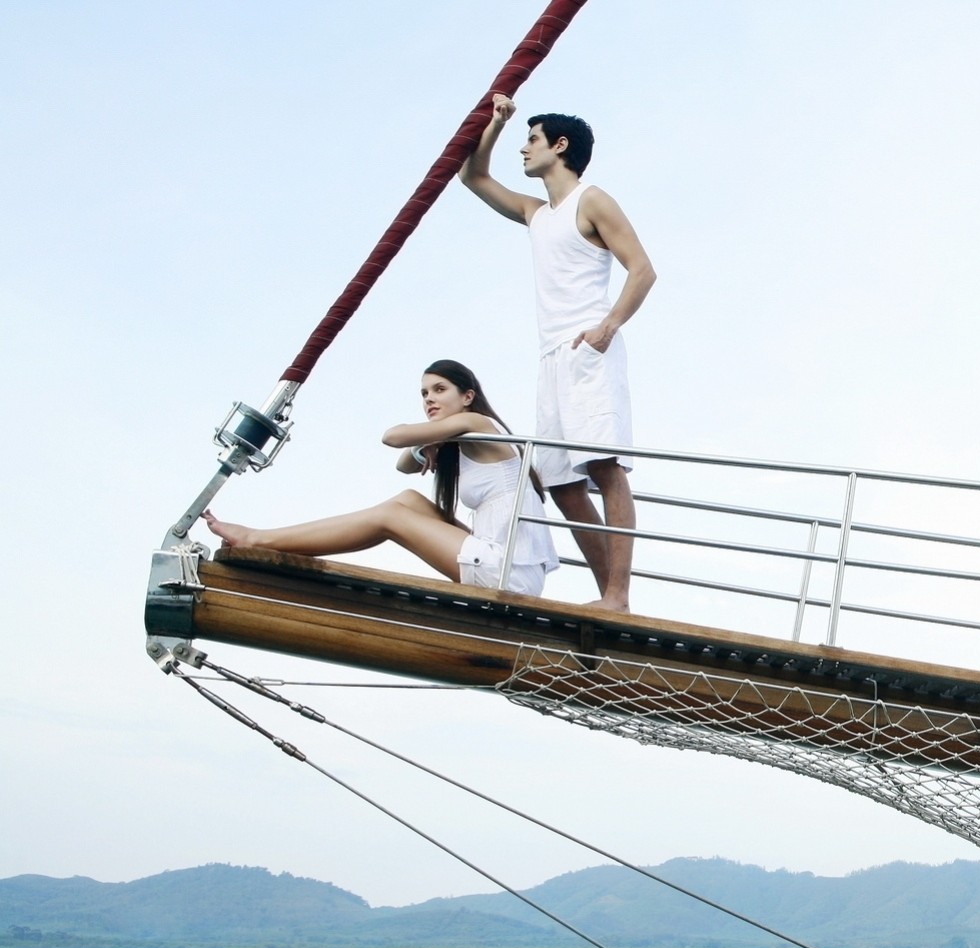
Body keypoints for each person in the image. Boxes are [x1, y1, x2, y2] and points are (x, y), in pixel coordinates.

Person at [459, 93, 656, 611]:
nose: (523, 149)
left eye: (531, 139)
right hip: (550, 358)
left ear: (560, 146)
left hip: (589, 349)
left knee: (604, 468)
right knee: (562, 485)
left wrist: (608, 326)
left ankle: (618, 595)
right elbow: (472, 177)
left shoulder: (592, 200)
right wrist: (497, 124)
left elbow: (642, 269)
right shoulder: (535, 212)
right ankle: (609, 597)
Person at [204, 361, 560, 597]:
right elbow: (404, 466)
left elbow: (392, 437)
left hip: (508, 573)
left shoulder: (477, 423)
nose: (429, 399)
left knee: (391, 517)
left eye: (439, 390)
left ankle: (260, 539)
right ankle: (269, 538)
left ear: (468, 397)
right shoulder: (463, 436)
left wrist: (432, 436)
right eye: (424, 393)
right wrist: (432, 442)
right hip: (503, 562)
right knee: (407, 500)